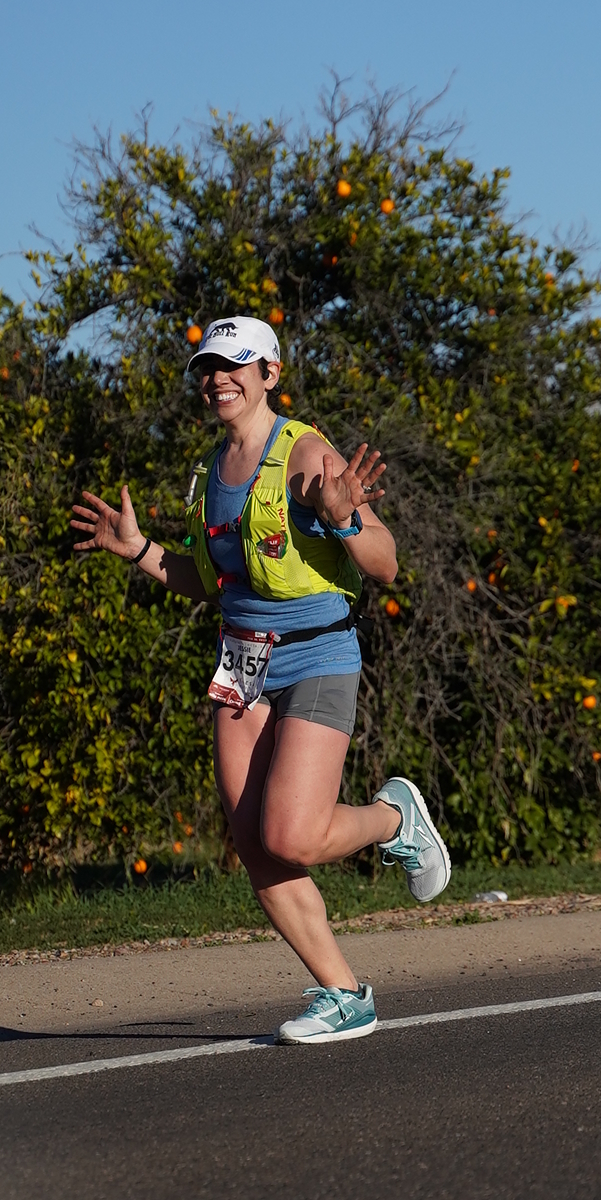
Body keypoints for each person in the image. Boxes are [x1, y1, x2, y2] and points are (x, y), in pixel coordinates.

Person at [70, 315, 450, 1043]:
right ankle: (344, 994)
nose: (217, 378)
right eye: (207, 368)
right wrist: (140, 550)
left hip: (315, 653)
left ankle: (396, 819)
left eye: (233, 365)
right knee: (254, 842)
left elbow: (386, 562)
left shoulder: (305, 454)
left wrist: (343, 520)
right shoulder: (211, 472)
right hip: (242, 660)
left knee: (293, 835)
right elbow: (212, 583)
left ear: (270, 373)